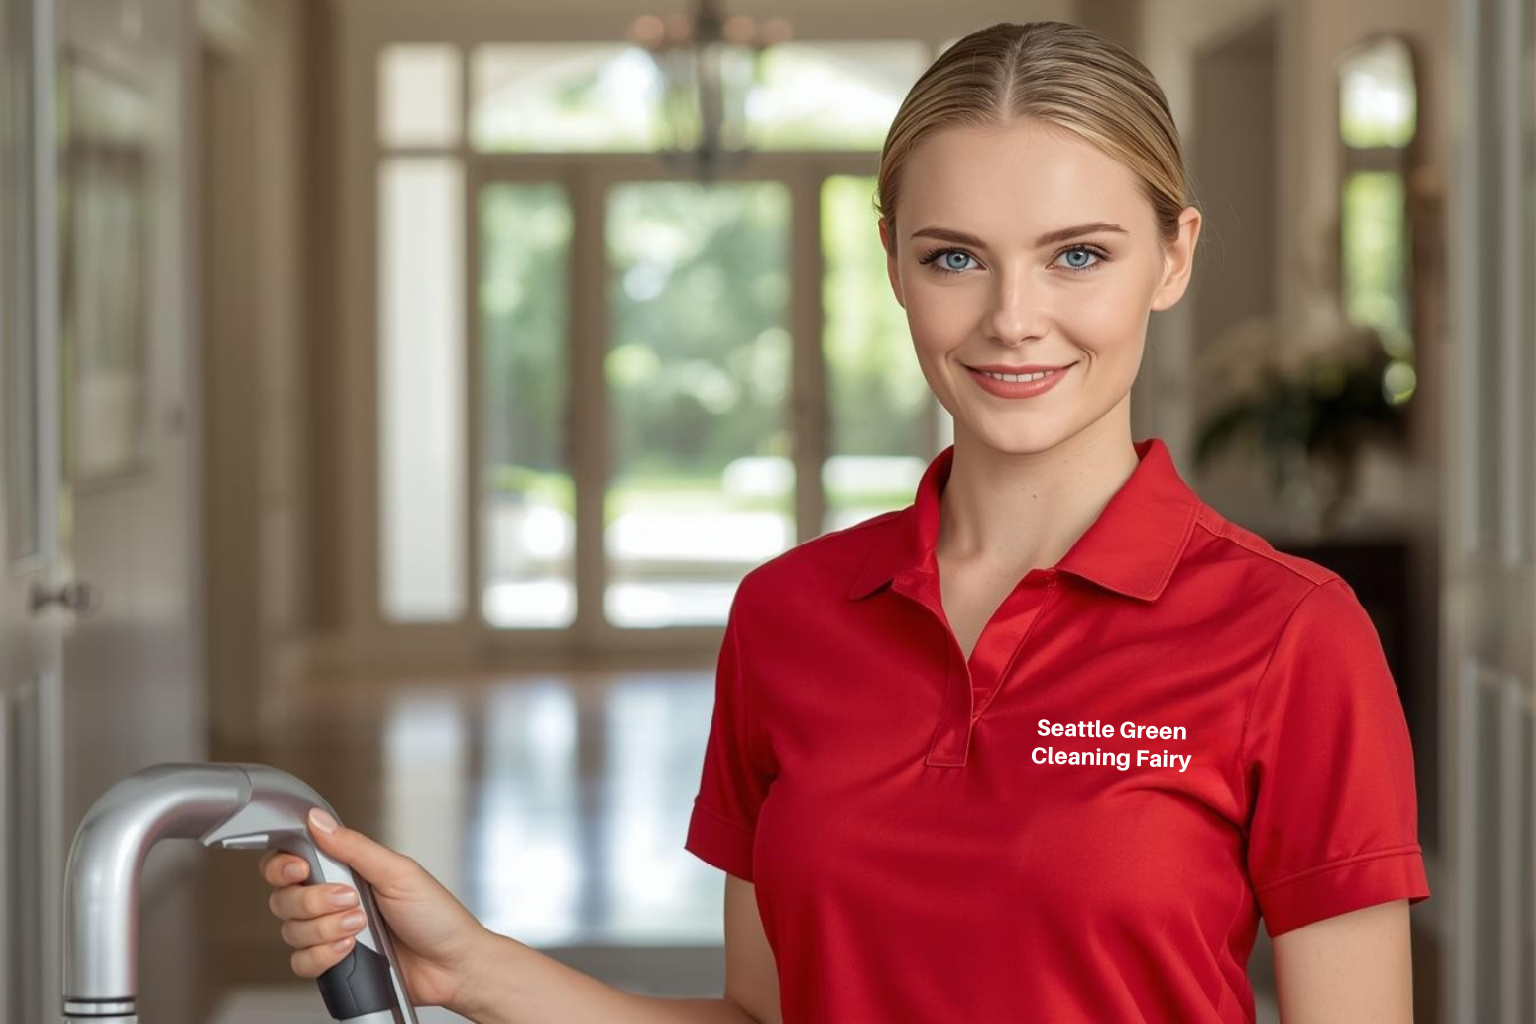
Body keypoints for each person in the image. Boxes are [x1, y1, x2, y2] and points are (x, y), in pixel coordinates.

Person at [260, 19, 1429, 1022]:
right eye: (955, 257)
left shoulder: (1292, 635)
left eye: (1079, 255)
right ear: (893, 263)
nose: (1013, 317)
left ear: (1172, 258)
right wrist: (479, 969)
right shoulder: (789, 615)